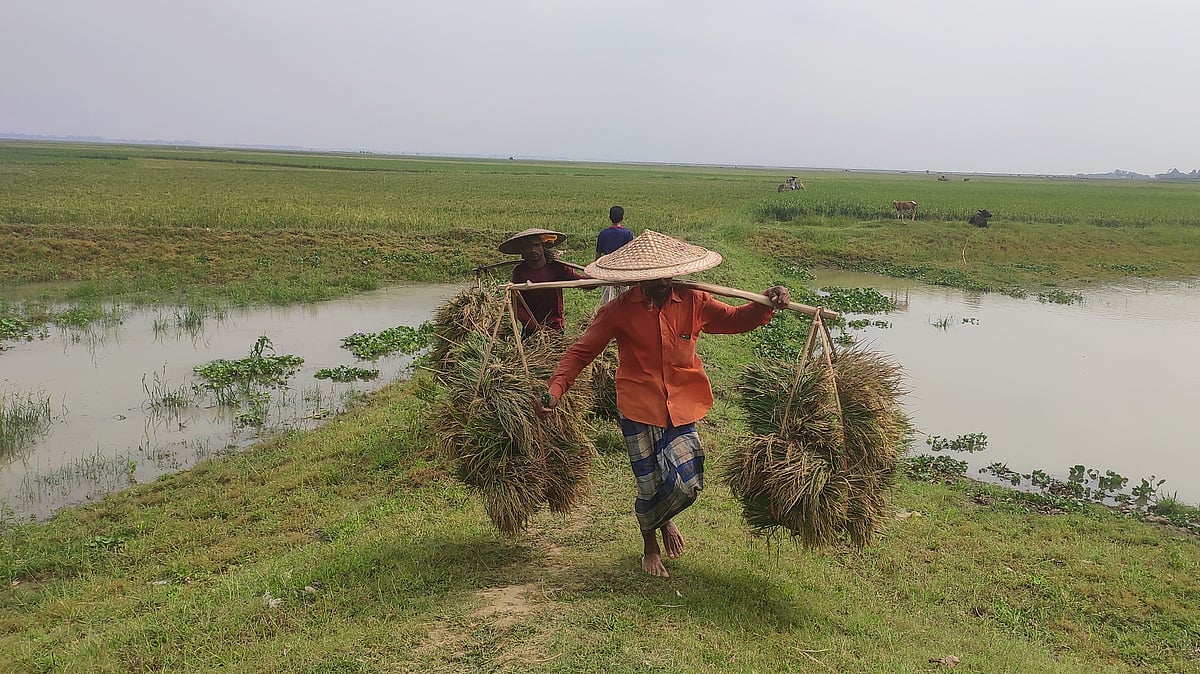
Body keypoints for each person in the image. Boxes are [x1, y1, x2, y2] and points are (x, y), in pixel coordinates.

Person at [537, 230, 791, 578]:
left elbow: (735, 320)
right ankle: (650, 544)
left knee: (688, 482)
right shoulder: (618, 311)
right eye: (652, 277)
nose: (661, 282)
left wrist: (764, 303)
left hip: (682, 404)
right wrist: (556, 387)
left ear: (676, 271)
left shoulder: (694, 301)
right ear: (638, 277)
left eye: (666, 275)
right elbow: (582, 352)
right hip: (638, 406)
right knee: (648, 482)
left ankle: (663, 514)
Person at [499, 228, 586, 337]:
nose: (533, 250)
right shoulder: (520, 272)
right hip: (531, 330)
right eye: (528, 247)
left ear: (542, 247)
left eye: (536, 245)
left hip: (555, 327)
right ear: (523, 251)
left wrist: (598, 277)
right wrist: (536, 328)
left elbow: (581, 282)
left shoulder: (557, 267)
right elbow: (517, 305)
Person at [595, 205, 635, 304]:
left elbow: (598, 253)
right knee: (625, 295)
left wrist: (596, 266)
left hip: (606, 267)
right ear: (622, 218)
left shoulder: (603, 234)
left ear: (610, 217)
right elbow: (632, 253)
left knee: (607, 297)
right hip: (623, 267)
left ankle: (609, 314)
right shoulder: (628, 234)